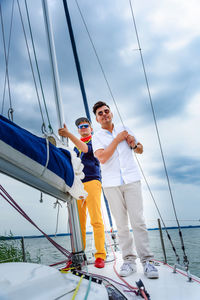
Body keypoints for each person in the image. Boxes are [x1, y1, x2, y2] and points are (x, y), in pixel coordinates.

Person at [92, 101, 159, 278]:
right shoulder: (97, 137)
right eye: (100, 113)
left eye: (107, 111)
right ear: (97, 119)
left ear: (111, 113)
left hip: (131, 179)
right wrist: (117, 139)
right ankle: (129, 261)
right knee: (121, 225)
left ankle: (147, 261)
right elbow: (103, 158)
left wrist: (132, 143)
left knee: (138, 221)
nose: (105, 114)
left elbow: (140, 149)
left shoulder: (124, 128)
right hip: (111, 184)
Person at [58, 117, 106, 268]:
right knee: (78, 223)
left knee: (96, 220)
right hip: (78, 185)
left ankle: (100, 255)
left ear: (91, 129)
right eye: (81, 126)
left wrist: (68, 134)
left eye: (86, 125)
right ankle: (79, 254)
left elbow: (86, 149)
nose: (83, 128)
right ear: (79, 130)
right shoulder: (74, 149)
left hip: (92, 181)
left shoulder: (94, 141)